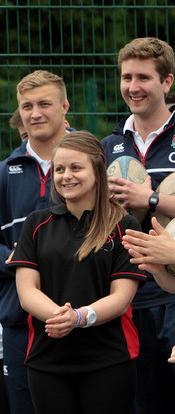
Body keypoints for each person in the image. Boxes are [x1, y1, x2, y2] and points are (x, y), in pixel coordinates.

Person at [7, 131, 145, 413]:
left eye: (75, 167)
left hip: (109, 360)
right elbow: (27, 291)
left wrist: (79, 317)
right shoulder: (36, 223)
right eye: (59, 168)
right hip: (48, 362)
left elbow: (121, 297)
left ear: (97, 171)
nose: (65, 176)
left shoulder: (124, 225)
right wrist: (60, 318)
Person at [0, 70, 71, 414]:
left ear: (64, 106)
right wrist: (17, 258)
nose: (35, 113)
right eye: (27, 106)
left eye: (44, 103)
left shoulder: (93, 162)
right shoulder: (1, 175)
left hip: (87, 319)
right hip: (22, 326)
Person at [100, 37, 175, 413]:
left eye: (143, 77)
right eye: (126, 77)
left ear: (167, 82)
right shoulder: (107, 146)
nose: (133, 87)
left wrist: (150, 200)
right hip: (125, 297)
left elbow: (150, 200)